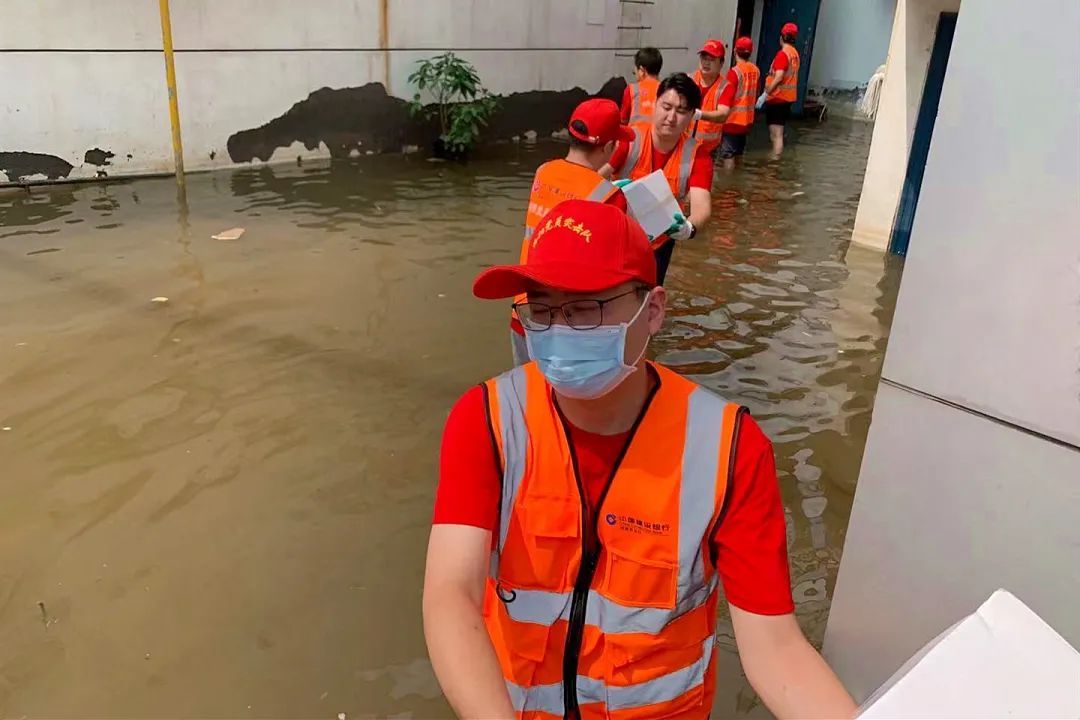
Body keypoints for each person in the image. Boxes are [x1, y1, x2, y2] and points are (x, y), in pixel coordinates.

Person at [423, 199, 859, 720]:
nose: (559, 331)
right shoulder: (489, 421)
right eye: (541, 309)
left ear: (652, 310)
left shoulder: (728, 447)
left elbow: (775, 648)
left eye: (584, 308)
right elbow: (451, 594)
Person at [508, 98, 634, 366]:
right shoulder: (610, 196)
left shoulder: (543, 172)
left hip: (526, 309)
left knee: (528, 395)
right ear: (610, 146)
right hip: (568, 323)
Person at [600, 73, 713, 285]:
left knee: (648, 298)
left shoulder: (698, 155)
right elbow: (592, 180)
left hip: (659, 243)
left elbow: (702, 208)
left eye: (681, 111)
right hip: (616, 237)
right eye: (666, 107)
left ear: (692, 116)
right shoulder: (629, 140)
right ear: (655, 104)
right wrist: (608, 189)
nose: (671, 117)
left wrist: (688, 228)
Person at [709, 36, 761, 170]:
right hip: (747, 121)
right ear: (750, 52)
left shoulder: (734, 72)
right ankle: (738, 178)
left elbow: (727, 95)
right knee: (738, 152)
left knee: (728, 155)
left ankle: (729, 182)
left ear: (735, 51)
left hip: (733, 120)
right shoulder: (755, 70)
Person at [759, 22, 801, 157]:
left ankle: (774, 162)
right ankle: (776, 160)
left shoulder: (783, 54)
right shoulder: (794, 54)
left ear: (782, 37)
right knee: (779, 133)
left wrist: (765, 94)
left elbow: (778, 77)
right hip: (786, 98)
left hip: (778, 98)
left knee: (776, 135)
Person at [689, 38, 728, 155]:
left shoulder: (725, 87)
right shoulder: (689, 80)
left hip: (709, 149)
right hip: (684, 143)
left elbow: (723, 114)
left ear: (721, 63)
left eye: (711, 60)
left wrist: (699, 114)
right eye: (704, 58)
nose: (706, 63)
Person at [620, 46, 663, 124]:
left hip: (636, 135)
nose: (635, 73)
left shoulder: (631, 89)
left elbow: (623, 120)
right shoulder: (667, 90)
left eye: (635, 70)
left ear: (642, 70)